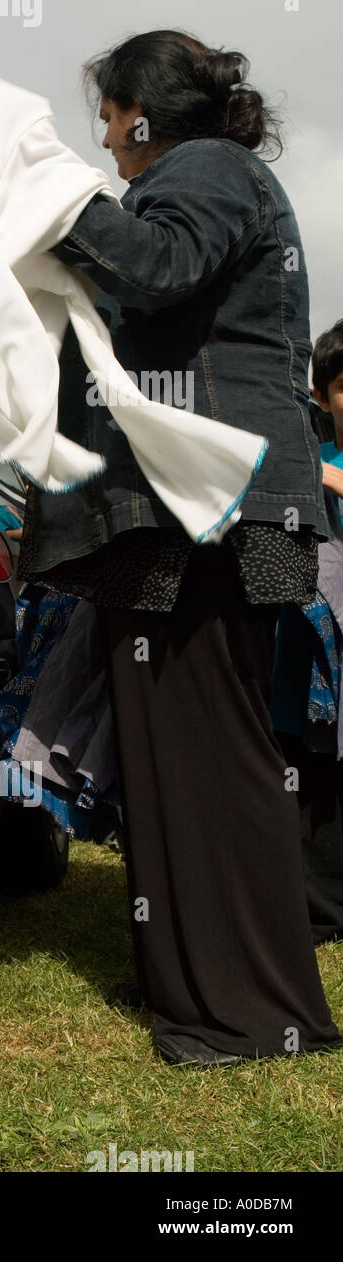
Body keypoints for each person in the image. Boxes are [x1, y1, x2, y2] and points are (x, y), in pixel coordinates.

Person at [16, 29, 341, 1066]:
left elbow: (155, 268)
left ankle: (244, 1010)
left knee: (206, 750)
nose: (105, 141)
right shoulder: (216, 176)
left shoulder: (205, 168)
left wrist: (46, 199)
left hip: (208, 515)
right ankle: (201, 981)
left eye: (109, 118)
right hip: (202, 513)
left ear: (145, 111)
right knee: (182, 753)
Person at [271, 320, 343, 944]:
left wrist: (319, 472)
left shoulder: (317, 468)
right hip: (308, 663)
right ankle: (319, 913)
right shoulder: (307, 460)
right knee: (311, 786)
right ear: (322, 398)